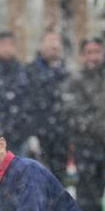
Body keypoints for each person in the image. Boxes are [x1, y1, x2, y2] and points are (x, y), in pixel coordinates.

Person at [64, 37, 105, 211]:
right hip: (85, 140)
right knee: (87, 185)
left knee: (101, 182)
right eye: (89, 52)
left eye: (97, 52)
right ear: (82, 56)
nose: (93, 57)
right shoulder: (75, 80)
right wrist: (94, 128)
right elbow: (73, 111)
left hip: (104, 141)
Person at [26, 30, 70, 184]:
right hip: (39, 136)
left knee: (59, 182)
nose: (54, 45)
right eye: (49, 41)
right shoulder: (30, 71)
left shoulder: (66, 72)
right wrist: (31, 134)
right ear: (40, 46)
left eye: (57, 41)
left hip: (62, 136)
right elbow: (27, 104)